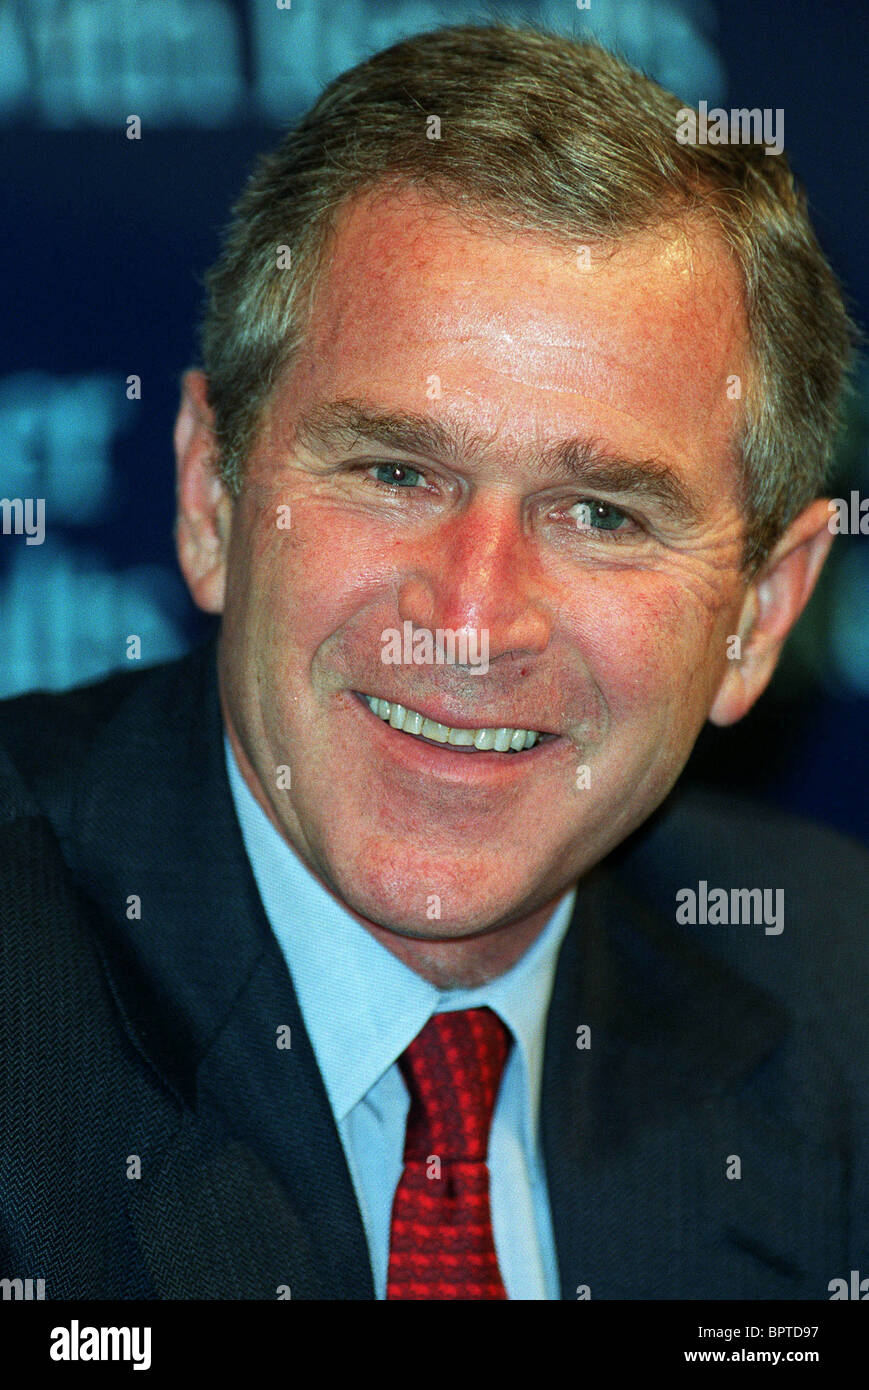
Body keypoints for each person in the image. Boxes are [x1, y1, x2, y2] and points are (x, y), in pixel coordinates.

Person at [1, 23, 867, 1301]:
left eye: (602, 514)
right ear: (209, 498)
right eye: (396, 472)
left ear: (756, 615)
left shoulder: (835, 986)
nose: (467, 617)